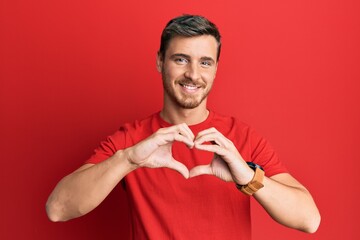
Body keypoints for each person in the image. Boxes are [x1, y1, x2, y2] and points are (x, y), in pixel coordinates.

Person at [46, 14, 321, 239]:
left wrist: (248, 177)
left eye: (204, 62)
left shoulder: (242, 138)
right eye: (181, 59)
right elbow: (57, 208)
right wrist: (128, 160)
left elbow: (309, 220)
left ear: (215, 69)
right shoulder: (132, 139)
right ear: (159, 61)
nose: (193, 74)